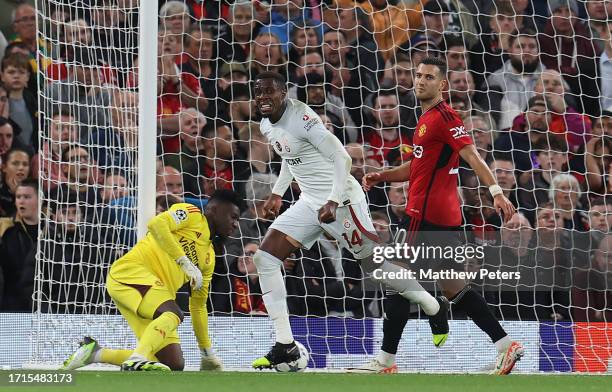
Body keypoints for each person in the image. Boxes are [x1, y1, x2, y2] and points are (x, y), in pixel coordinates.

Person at [249, 71, 449, 370]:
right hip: (310, 203)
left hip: (342, 201)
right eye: (258, 92)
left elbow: (342, 158)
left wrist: (333, 199)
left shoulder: (303, 118)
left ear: (283, 94)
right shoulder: (267, 123)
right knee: (265, 258)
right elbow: (289, 158)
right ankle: (285, 345)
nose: (263, 97)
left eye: (269, 92)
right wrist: (277, 193)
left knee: (376, 268)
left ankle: (434, 307)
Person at [358, 57, 523, 375]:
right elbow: (416, 167)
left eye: (429, 77)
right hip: (446, 217)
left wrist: (497, 191)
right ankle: (506, 346)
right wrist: (383, 175)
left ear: (443, 85)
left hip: (423, 215)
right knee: (453, 286)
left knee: (395, 280)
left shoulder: (445, 118)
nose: (420, 81)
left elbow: (472, 155)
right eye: (417, 75)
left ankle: (385, 361)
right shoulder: (427, 119)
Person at [61, 190, 242, 371]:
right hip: (130, 273)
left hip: (151, 295)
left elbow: (198, 306)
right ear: (214, 209)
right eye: (233, 217)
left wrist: (206, 352)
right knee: (174, 314)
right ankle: (137, 358)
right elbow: (156, 224)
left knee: (173, 363)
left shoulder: (209, 257)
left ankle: (94, 353)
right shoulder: (191, 214)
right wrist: (183, 261)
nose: (235, 224)